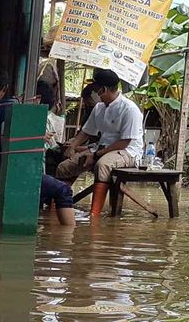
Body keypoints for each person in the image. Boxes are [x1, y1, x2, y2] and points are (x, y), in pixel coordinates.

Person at [55, 68, 144, 217]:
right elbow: (86, 131)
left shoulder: (129, 109)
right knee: (64, 168)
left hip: (128, 151)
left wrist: (95, 155)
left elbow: (125, 142)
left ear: (104, 89)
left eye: (96, 89)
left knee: (103, 165)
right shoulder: (99, 107)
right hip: (101, 148)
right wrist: (73, 146)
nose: (95, 93)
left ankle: (94, 215)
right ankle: (57, 209)